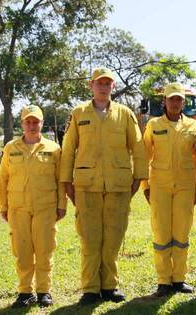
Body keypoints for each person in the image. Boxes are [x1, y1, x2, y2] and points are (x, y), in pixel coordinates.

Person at [60, 67, 148, 305]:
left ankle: (109, 286)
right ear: (91, 85)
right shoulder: (78, 113)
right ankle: (90, 288)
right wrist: (66, 182)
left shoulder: (125, 113)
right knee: (90, 238)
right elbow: (68, 150)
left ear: (113, 87)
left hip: (119, 186)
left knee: (113, 237)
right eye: (99, 82)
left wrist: (139, 178)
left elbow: (138, 148)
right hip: (87, 186)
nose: (103, 86)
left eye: (107, 83)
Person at [0, 105, 67, 308]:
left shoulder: (53, 148)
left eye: (36, 121)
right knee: (22, 250)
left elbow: (60, 180)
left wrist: (61, 205)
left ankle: (44, 290)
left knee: (44, 250)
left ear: (42, 124)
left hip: (45, 207)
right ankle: (25, 292)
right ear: (22, 124)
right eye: (28, 121)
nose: (32, 125)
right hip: (18, 208)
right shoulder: (11, 148)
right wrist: (3, 206)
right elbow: (3, 179)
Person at [141, 82, 196, 297]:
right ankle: (163, 281)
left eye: (179, 99)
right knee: (161, 232)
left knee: (181, 232)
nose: (175, 103)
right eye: (171, 99)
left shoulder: (193, 126)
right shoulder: (153, 125)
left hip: (185, 186)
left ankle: (179, 279)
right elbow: (144, 156)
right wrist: (145, 186)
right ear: (164, 102)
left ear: (183, 102)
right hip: (159, 185)